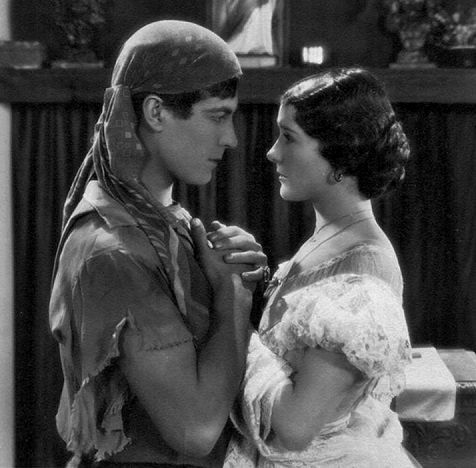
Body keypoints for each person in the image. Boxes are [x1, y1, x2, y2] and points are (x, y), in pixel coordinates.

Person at [49, 20, 268, 468]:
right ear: (155, 113)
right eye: (217, 116)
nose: (231, 139)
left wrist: (246, 277)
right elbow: (196, 430)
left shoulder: (164, 221)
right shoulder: (112, 251)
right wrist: (233, 295)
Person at [201, 67, 419, 467]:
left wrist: (236, 321)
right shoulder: (331, 236)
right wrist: (252, 283)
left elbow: (296, 427)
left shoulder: (364, 267)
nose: (272, 152)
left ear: (341, 153)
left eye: (289, 137)